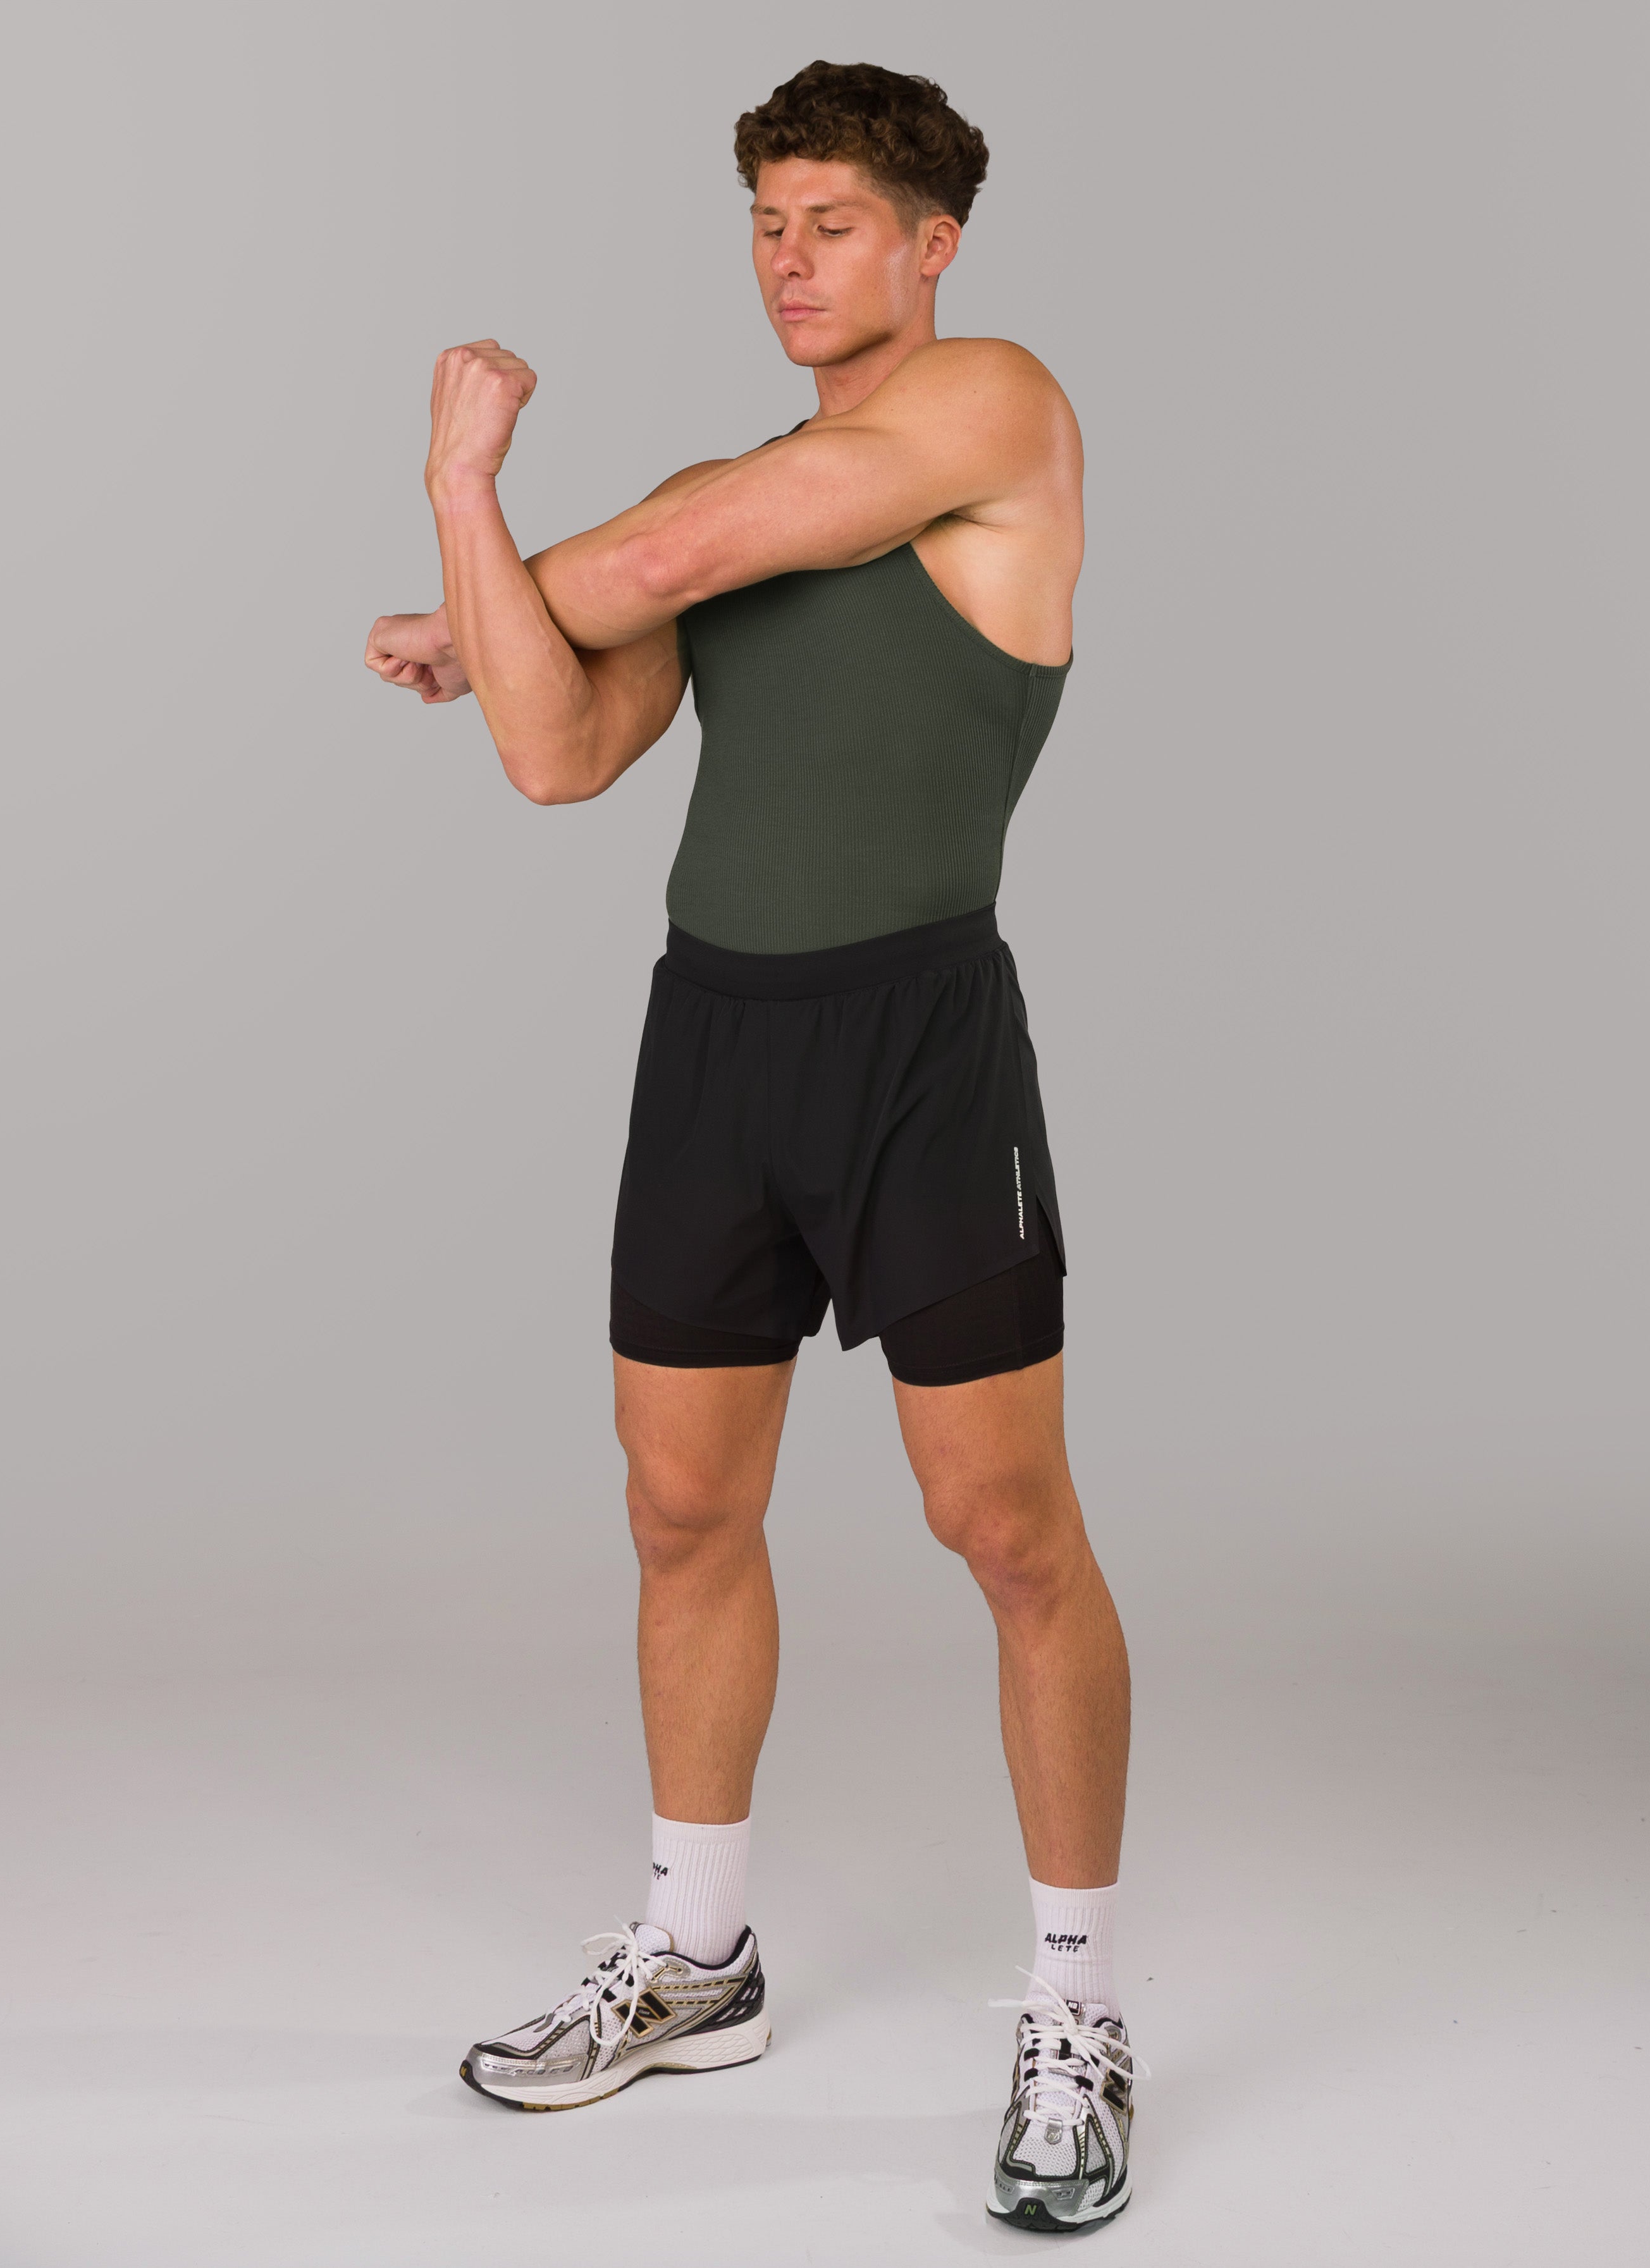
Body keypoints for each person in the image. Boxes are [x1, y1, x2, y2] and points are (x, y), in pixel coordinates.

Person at [365, 59, 1136, 2233]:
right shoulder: (733, 485)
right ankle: (697, 1952)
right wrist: (466, 514)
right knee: (681, 1504)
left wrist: (503, 578)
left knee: (1007, 1527)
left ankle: (1076, 2002)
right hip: (713, 1040)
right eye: (768, 225)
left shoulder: (990, 407)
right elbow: (554, 750)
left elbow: (676, 559)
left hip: (919, 1044)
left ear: (932, 244)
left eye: (834, 223)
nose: (792, 261)